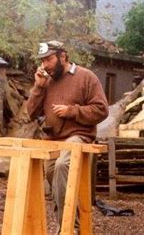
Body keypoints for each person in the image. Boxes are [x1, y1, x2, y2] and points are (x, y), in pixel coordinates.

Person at [26, 40, 109, 232]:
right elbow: (30, 114)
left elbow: (102, 110)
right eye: (43, 61)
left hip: (78, 135)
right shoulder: (46, 81)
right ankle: (73, 223)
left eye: (49, 59)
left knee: (63, 165)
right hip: (54, 139)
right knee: (53, 174)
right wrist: (38, 88)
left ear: (63, 56)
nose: (45, 65)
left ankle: (66, 228)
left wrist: (72, 111)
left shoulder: (86, 77)